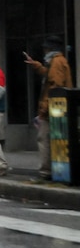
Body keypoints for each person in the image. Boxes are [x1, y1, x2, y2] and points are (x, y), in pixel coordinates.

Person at [25, 35, 73, 180]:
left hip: (53, 108)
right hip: (57, 106)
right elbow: (50, 77)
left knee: (44, 138)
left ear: (50, 49)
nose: (44, 51)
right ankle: (55, 171)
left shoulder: (57, 62)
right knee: (54, 139)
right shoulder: (57, 61)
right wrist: (36, 65)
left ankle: (46, 171)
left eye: (46, 48)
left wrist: (44, 109)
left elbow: (55, 85)